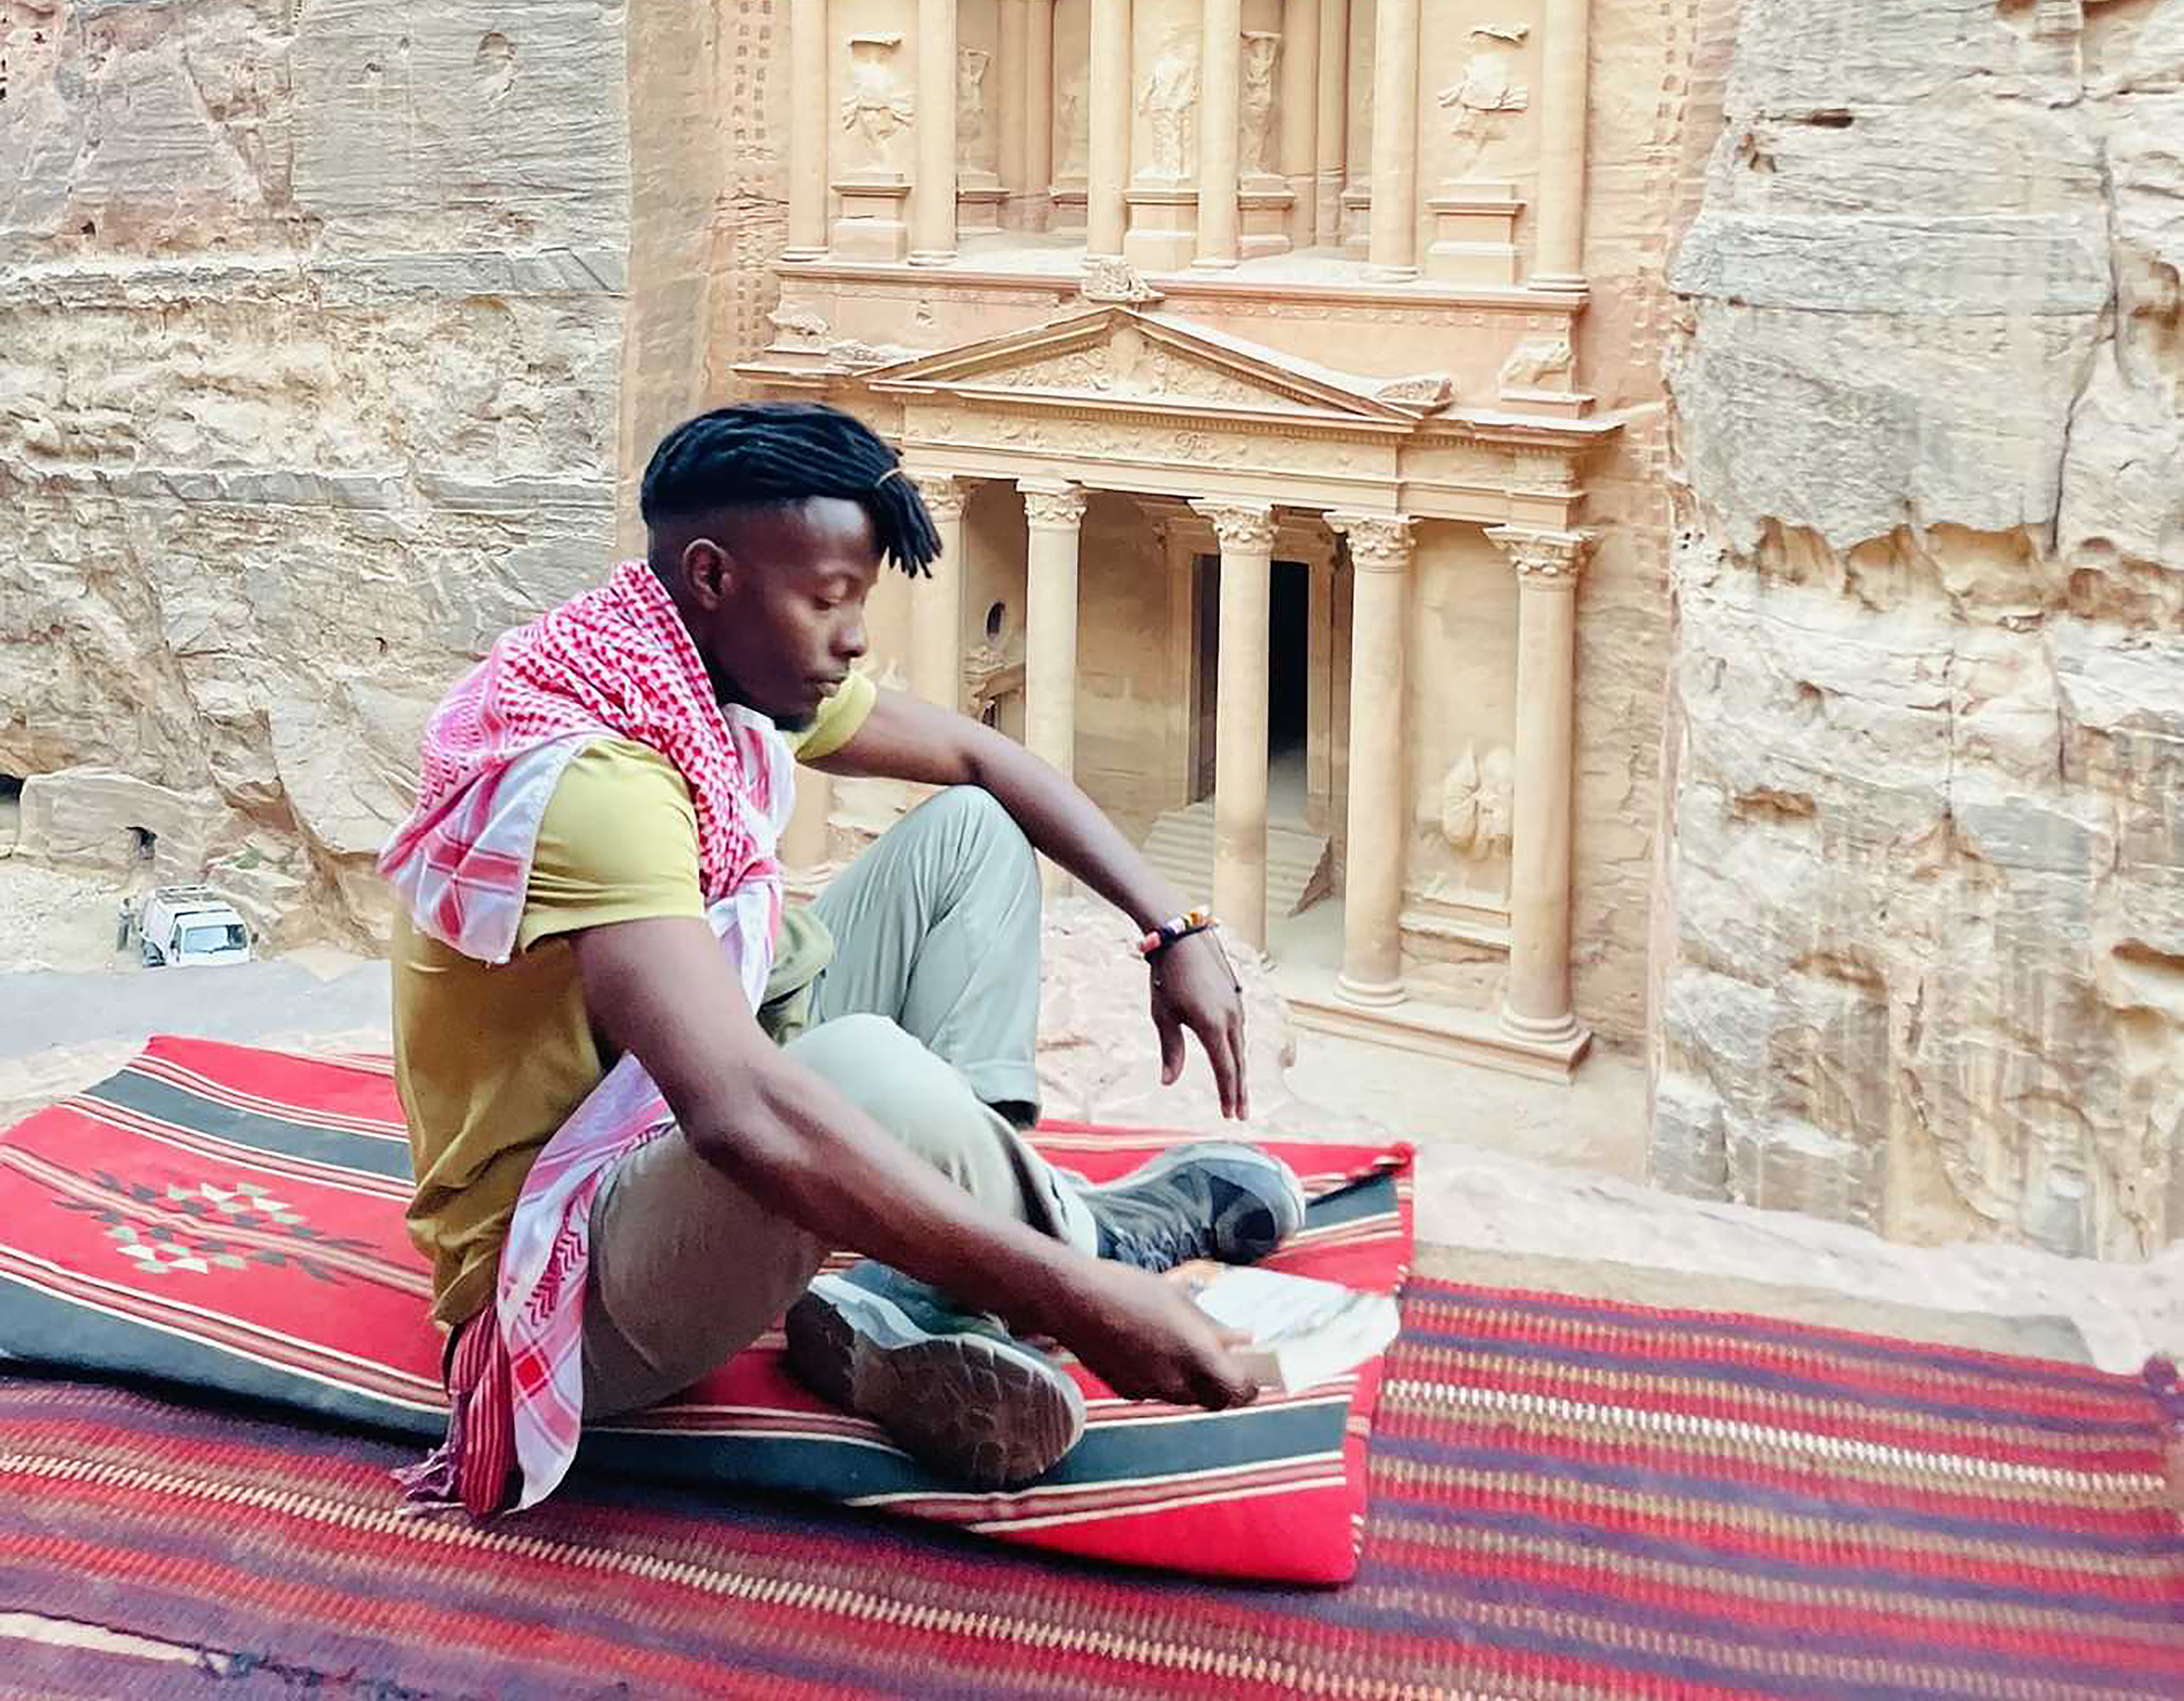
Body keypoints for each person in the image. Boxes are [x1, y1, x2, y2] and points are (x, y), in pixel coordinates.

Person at [379, 401, 1305, 1513]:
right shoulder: (598, 778)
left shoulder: (675, 667)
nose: (856, 637)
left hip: (666, 1131)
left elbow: (979, 756)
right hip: (575, 1292)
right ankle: (1080, 1235)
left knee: (972, 830)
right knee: (850, 1066)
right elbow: (740, 1116)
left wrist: (1173, 930)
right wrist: (1084, 1298)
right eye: (829, 601)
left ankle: (940, 1285)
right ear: (713, 576)